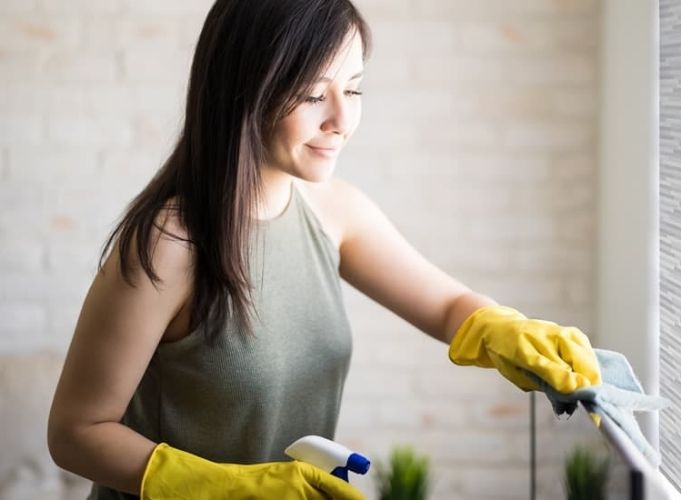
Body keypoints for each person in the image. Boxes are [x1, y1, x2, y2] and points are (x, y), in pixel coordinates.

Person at [46, 1, 602, 498]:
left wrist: (503, 330)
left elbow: (447, 306)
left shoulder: (333, 209)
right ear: (244, 89)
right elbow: (76, 433)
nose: (342, 120)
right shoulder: (168, 245)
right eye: (314, 93)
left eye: (354, 88)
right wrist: (230, 488)